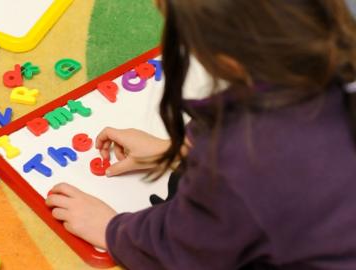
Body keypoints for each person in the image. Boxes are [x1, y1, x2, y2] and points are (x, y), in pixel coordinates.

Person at [46, 0, 356, 269]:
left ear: (226, 59)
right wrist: (176, 149)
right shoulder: (334, 60)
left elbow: (188, 249)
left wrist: (111, 231)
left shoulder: (243, 160)